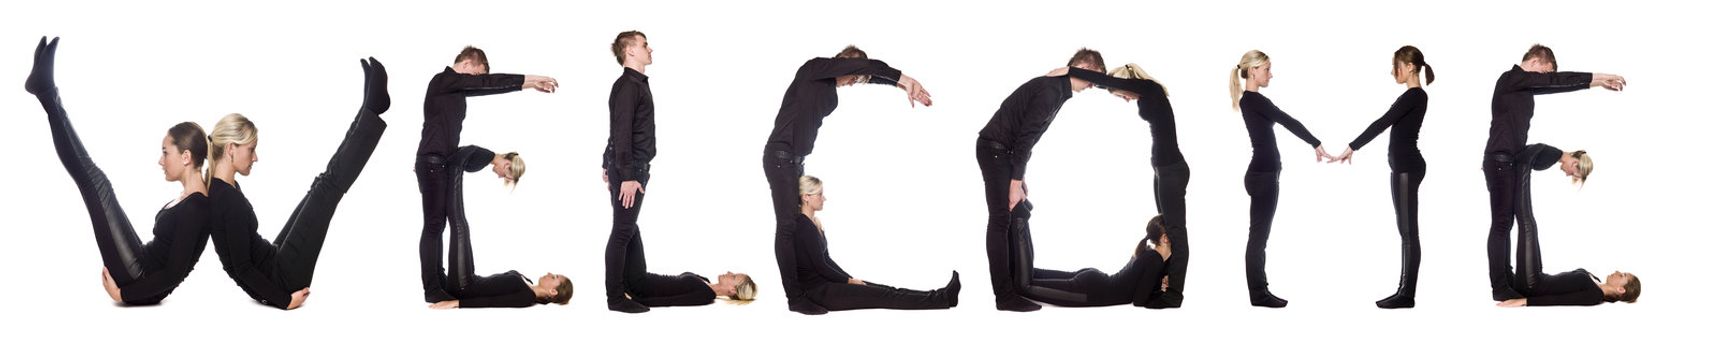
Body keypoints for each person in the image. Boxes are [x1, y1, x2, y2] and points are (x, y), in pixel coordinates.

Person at [26, 37, 213, 305]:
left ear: (186, 156)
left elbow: (173, 274)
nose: (161, 161)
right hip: (139, 264)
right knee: (97, 180)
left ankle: (46, 92)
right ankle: (47, 93)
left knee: (95, 181)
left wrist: (123, 294)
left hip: (138, 278)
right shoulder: (189, 197)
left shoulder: (197, 207)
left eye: (165, 152)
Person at [206, 57, 388, 310]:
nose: (256, 157)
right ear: (230, 149)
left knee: (321, 184)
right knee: (327, 189)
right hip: (283, 279)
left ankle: (368, 109)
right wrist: (283, 300)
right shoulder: (225, 200)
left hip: (273, 260)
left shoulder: (223, 187)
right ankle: (371, 109)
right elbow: (241, 268)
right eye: (251, 149)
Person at [762, 45, 932, 315]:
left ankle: (814, 281)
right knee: (787, 227)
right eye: (853, 76)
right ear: (843, 62)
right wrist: (904, 79)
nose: (853, 83)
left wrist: (896, 86)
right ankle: (794, 297)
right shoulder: (814, 69)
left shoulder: (830, 85)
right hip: (780, 157)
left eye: (856, 80)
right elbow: (868, 69)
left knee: (802, 224)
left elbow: (870, 75)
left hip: (795, 162)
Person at [1483, 44, 1626, 301]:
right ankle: (1500, 286)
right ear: (1537, 62)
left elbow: (1557, 84)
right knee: (1502, 224)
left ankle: (1508, 280)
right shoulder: (1512, 78)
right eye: (1544, 73)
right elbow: (1556, 80)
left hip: (1506, 160)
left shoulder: (1523, 86)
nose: (1544, 79)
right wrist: (1599, 76)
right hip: (1501, 160)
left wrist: (1594, 85)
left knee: (1506, 223)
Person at [418, 46, 559, 303]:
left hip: (436, 162)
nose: (478, 82)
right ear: (469, 64)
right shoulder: (444, 80)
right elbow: (489, 83)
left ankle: (438, 283)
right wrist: (530, 81)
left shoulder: (454, 88)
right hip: (432, 163)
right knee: (434, 226)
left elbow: (486, 87)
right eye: (478, 75)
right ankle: (432, 288)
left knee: (437, 226)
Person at [1046, 62, 1188, 308]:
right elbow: (1113, 85)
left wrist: (1070, 72)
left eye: (1122, 94)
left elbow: (1113, 83)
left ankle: (1174, 295)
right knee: (1165, 225)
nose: (1124, 99)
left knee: (1177, 232)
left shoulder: (1149, 88)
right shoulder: (1145, 94)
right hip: (1163, 170)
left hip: (1171, 171)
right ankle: (1162, 280)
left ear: (1128, 81)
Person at [977, 49, 1106, 312]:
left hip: (1003, 152)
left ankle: (1015, 284)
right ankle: (1004, 297)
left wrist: (1019, 176)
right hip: (994, 150)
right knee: (1000, 219)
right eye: (1095, 77)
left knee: (1013, 214)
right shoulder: (1051, 90)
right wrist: (1014, 182)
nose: (1094, 85)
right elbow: (1025, 138)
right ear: (1082, 67)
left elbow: (1028, 138)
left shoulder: (1057, 89)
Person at [1329, 45, 1433, 309]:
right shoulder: (1411, 96)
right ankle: (1404, 291)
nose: (1392, 71)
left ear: (1409, 67)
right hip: (1403, 169)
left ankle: (1406, 294)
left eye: (1395, 65)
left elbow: (1382, 123)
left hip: (1408, 168)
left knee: (1409, 233)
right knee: (1405, 231)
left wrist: (1352, 146)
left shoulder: (1415, 95)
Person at [1230, 49, 1333, 308]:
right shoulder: (1255, 100)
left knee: (1258, 237)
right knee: (1258, 238)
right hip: (1263, 176)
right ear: (1252, 70)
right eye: (1266, 69)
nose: (1270, 74)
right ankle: (1259, 294)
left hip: (1261, 174)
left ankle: (1259, 292)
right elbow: (1288, 121)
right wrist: (1315, 143)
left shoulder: (1249, 100)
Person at [426, 145, 573, 309]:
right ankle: (447, 169)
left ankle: (454, 166)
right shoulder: (528, 283)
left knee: (459, 224)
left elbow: (491, 302)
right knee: (461, 226)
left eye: (553, 277)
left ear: (553, 292)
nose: (549, 273)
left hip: (464, 287)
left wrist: (456, 303)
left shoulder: (526, 298)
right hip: (469, 278)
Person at [1495, 145, 1638, 307]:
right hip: (1537, 277)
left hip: (1532, 285)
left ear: (1621, 289)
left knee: (1527, 223)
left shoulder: (1594, 296)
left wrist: (1523, 302)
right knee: (1527, 224)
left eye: (1623, 275)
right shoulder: (1596, 283)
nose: (1619, 271)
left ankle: (1523, 164)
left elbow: (1558, 300)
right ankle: (1517, 168)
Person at [791, 176, 959, 312]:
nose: (824, 198)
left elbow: (827, 259)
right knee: (885, 296)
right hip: (820, 292)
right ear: (806, 197)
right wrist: (848, 281)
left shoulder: (815, 223)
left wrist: (849, 279)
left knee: (888, 290)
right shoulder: (803, 226)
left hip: (829, 284)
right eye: (820, 194)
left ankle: (942, 296)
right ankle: (943, 298)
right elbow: (821, 266)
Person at [1012, 203, 1173, 308]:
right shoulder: (1155, 260)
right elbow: (1139, 301)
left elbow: (1137, 289)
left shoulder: (1148, 252)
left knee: (1031, 275)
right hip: (1090, 291)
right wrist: (1163, 294)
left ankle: (1021, 217)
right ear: (1165, 238)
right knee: (1024, 286)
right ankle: (1020, 218)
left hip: (1093, 281)